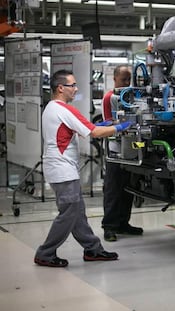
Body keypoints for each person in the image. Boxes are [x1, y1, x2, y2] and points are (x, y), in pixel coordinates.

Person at [34, 69, 132, 268]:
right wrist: (122, 127)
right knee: (69, 213)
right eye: (72, 85)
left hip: (59, 169)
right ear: (61, 88)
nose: (76, 89)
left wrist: (106, 124)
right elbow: (94, 132)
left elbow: (77, 130)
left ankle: (93, 249)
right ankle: (45, 253)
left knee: (77, 212)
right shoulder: (64, 109)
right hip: (63, 171)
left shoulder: (51, 108)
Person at [101, 65, 143, 242]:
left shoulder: (133, 96)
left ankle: (123, 223)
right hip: (115, 150)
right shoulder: (109, 97)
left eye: (129, 79)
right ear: (115, 79)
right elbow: (109, 122)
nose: (127, 82)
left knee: (128, 188)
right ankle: (109, 226)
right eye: (123, 79)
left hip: (131, 148)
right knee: (113, 189)